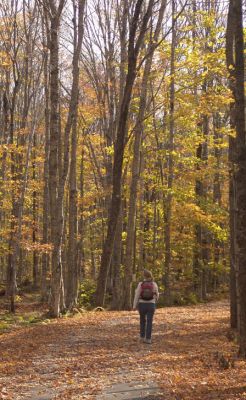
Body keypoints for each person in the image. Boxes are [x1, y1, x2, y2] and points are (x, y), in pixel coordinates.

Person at [133, 269, 159, 344]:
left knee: (142, 321)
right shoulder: (154, 284)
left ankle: (142, 337)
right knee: (149, 321)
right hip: (151, 304)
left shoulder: (140, 284)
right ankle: (148, 339)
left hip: (142, 304)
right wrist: (155, 300)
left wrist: (134, 305)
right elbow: (157, 294)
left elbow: (137, 295)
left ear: (144, 276)